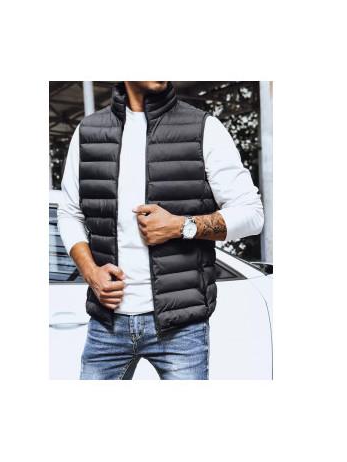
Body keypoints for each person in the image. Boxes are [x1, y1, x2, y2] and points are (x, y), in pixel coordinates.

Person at [58, 81, 264, 380]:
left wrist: (181, 226)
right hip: (107, 324)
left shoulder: (203, 128)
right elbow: (69, 213)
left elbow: (252, 214)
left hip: (182, 327)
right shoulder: (88, 132)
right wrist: (90, 272)